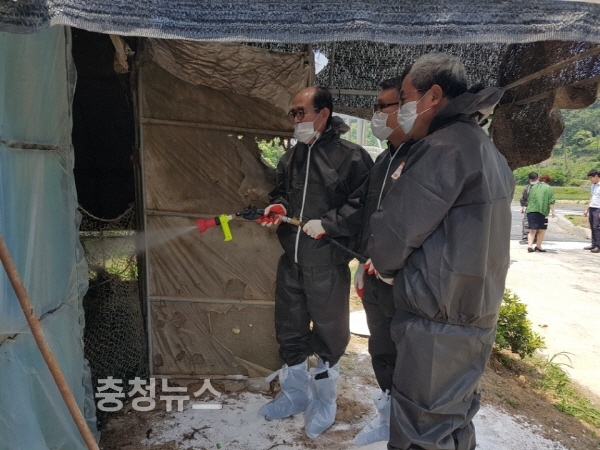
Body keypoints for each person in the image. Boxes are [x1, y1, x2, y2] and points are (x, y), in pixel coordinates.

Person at [367, 53, 515, 450]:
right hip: (475, 315)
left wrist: (385, 266)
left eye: (404, 97)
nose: (401, 108)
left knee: (420, 430)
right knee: (453, 420)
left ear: (433, 95)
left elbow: (395, 232)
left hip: (436, 317)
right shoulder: (486, 150)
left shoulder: (442, 147)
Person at [256, 86, 373, 439]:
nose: (295, 120)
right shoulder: (292, 158)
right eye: (292, 113)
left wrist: (329, 224)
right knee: (289, 329)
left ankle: (323, 403)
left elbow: (363, 205)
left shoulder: (352, 157)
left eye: (300, 112)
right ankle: (293, 395)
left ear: (322, 114)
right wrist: (279, 207)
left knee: (329, 333)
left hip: (327, 263)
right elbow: (282, 193)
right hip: (291, 260)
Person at [352, 74, 412, 446]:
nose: (376, 114)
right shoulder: (383, 160)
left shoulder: (422, 156)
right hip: (374, 274)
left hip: (403, 280)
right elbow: (363, 211)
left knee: (408, 355)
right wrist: (363, 259)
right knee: (381, 348)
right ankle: (389, 417)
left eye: (382, 106)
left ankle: (407, 427)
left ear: (406, 108)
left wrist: (392, 262)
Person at [526, 174, 556, 253]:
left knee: (532, 230)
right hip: (542, 211)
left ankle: (530, 246)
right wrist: (553, 211)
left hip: (531, 210)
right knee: (542, 230)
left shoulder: (533, 187)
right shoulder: (548, 188)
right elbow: (551, 200)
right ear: (548, 181)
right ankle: (538, 246)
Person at [583, 169, 600, 253]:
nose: (590, 180)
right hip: (592, 207)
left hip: (598, 208)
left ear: (596, 176)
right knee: (592, 227)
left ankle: (598, 246)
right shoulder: (593, 186)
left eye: (591, 178)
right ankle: (593, 244)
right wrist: (587, 209)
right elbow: (592, 198)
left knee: (597, 227)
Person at [519, 172, 539, 244]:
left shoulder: (541, 187)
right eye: (532, 179)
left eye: (534, 179)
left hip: (538, 208)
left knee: (536, 223)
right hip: (530, 207)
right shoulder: (527, 188)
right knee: (527, 222)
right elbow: (523, 198)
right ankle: (526, 238)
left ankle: (534, 238)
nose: (533, 181)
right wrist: (523, 206)